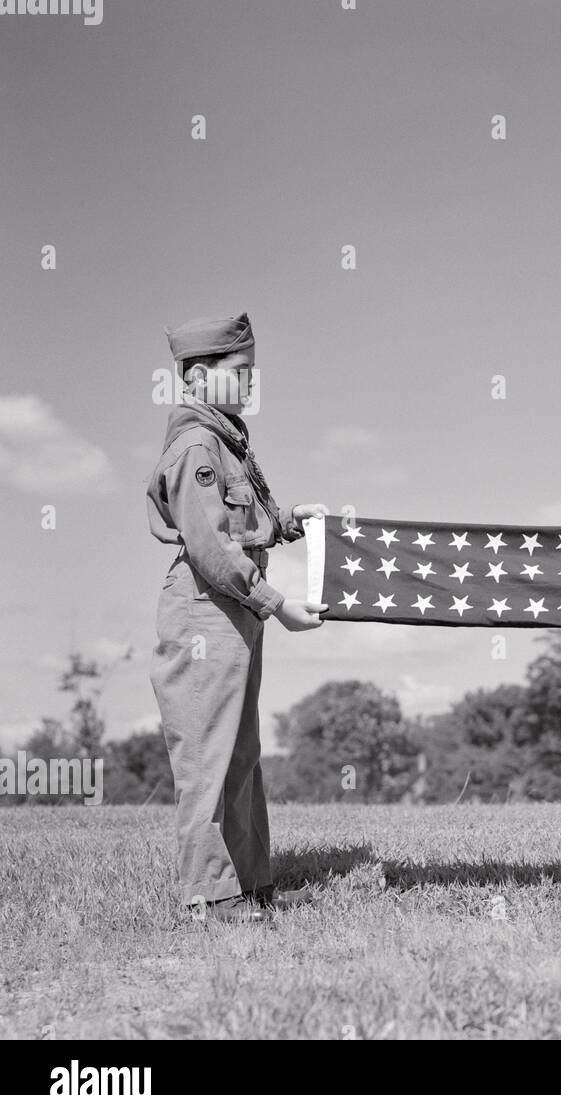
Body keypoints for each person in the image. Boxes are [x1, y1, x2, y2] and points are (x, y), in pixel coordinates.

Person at [146, 312, 328, 924]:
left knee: (241, 752)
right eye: (241, 371)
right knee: (207, 754)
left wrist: (292, 520)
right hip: (207, 606)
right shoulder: (196, 444)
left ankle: (251, 886)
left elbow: (244, 528)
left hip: (231, 606)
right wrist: (278, 606)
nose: (252, 382)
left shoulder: (226, 440)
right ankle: (210, 895)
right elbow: (210, 547)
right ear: (199, 377)